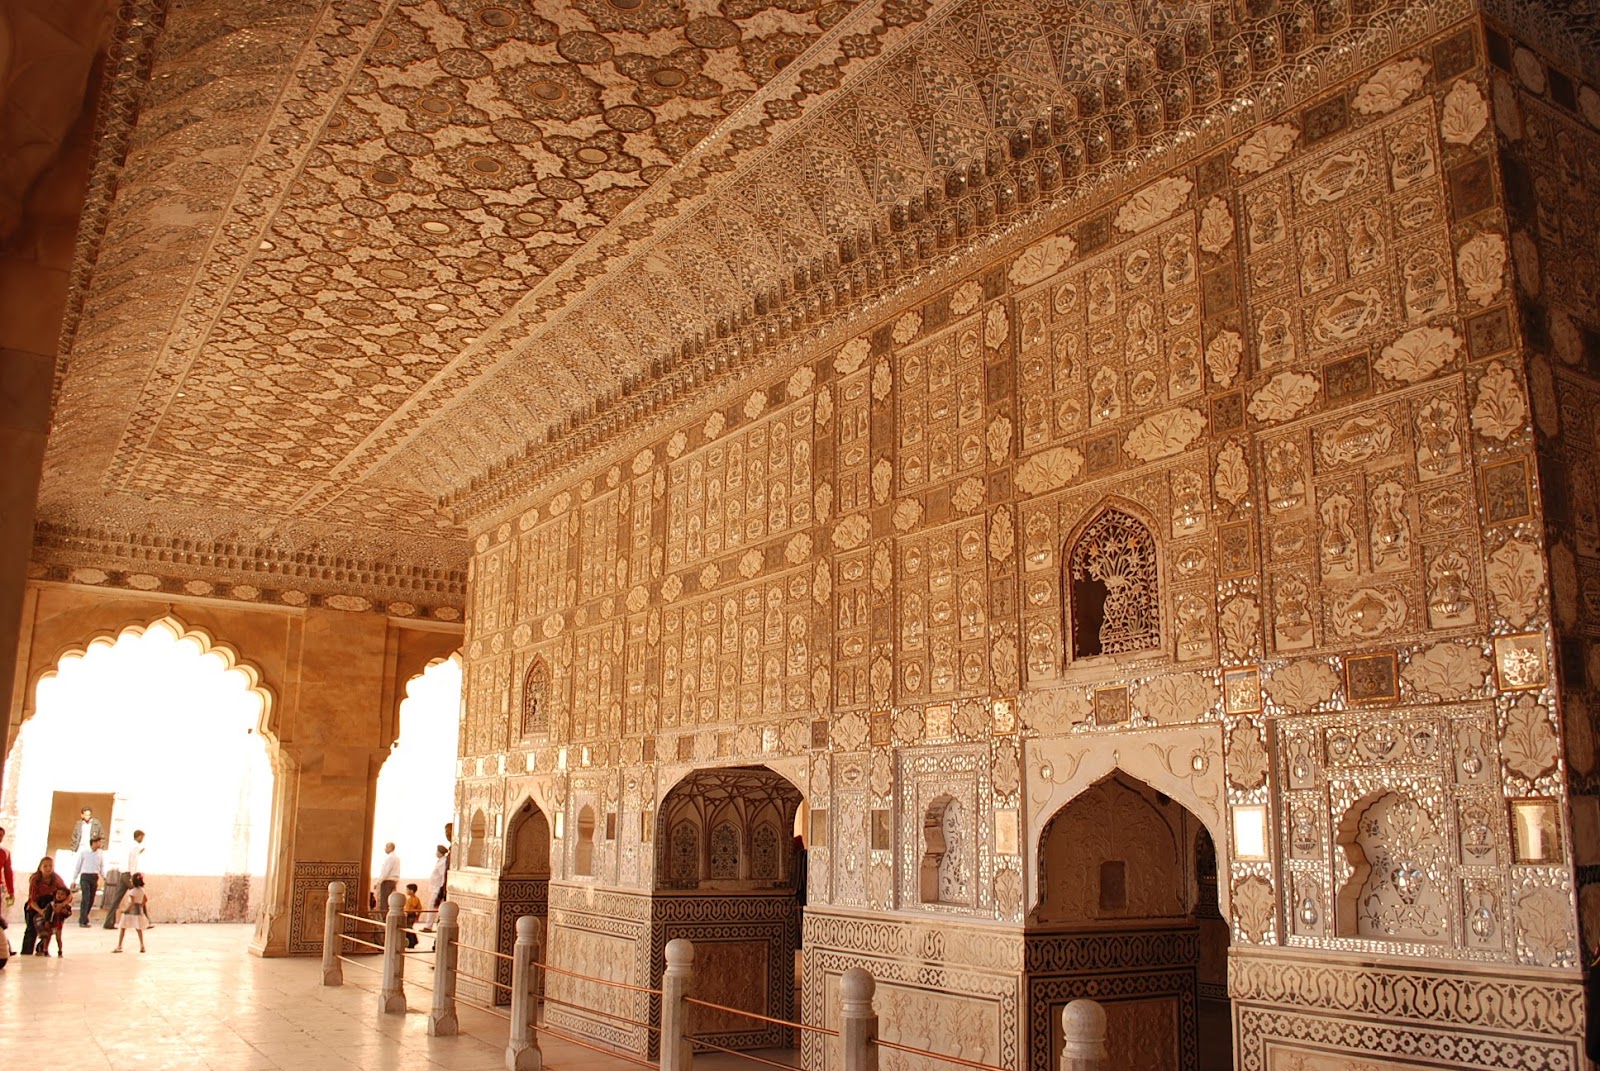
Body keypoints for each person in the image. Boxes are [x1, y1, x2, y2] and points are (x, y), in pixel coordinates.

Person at [20, 856, 68, 956]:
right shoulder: (35, 879)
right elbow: (32, 900)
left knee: (47, 929)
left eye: (50, 866)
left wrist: (61, 905)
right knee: (31, 929)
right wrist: (41, 911)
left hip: (49, 907)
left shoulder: (56, 878)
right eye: (45, 866)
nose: (48, 868)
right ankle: (26, 953)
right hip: (34, 906)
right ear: (40, 867)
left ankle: (41, 949)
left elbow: (68, 894)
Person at [103, 829, 145, 929]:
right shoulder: (135, 847)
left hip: (123, 874)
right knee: (140, 894)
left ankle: (108, 922)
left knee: (116, 900)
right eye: (142, 837)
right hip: (129, 875)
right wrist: (134, 877)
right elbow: (133, 862)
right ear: (139, 836)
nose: (142, 839)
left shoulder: (128, 846)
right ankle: (145, 921)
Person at [72, 835, 105, 926]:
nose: (100, 844)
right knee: (85, 898)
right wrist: (74, 879)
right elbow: (78, 866)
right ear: (93, 843)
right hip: (85, 876)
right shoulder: (84, 853)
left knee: (91, 899)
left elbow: (101, 866)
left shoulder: (100, 853)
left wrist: (104, 876)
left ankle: (84, 918)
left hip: (94, 877)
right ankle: (83, 920)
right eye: (98, 842)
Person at [112, 874, 149, 953]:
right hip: (138, 910)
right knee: (138, 928)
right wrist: (140, 905)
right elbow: (145, 899)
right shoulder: (142, 890)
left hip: (130, 911)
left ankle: (119, 946)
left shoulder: (132, 891)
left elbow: (132, 903)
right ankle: (142, 945)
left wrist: (125, 910)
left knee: (123, 927)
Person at [37, 887, 72, 956]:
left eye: (62, 894)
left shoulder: (66, 906)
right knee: (47, 937)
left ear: (66, 897)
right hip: (50, 924)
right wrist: (46, 921)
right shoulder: (51, 904)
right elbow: (47, 913)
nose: (59, 895)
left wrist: (65, 912)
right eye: (58, 893)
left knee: (58, 938)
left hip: (59, 925)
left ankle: (60, 951)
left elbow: (68, 914)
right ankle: (45, 950)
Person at [423, 844, 448, 930]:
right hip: (435, 887)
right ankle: (429, 925)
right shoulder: (440, 861)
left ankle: (428, 926)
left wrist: (442, 889)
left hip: (438, 888)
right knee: (433, 906)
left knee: (432, 906)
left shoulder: (442, 862)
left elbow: (443, 876)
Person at [376, 842, 400, 911]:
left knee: (384, 902)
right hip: (394, 881)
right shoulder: (396, 858)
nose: (385, 849)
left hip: (387, 881)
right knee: (391, 901)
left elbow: (386, 871)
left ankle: (384, 919)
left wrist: (379, 881)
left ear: (390, 848)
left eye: (386, 847)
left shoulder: (390, 858)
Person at [402, 883, 422, 949]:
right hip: (413, 915)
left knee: (408, 928)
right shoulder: (417, 899)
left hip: (409, 915)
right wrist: (417, 916)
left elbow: (407, 909)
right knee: (410, 928)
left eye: (407, 889)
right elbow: (420, 908)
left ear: (411, 891)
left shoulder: (409, 900)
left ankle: (412, 942)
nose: (406, 891)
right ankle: (414, 941)